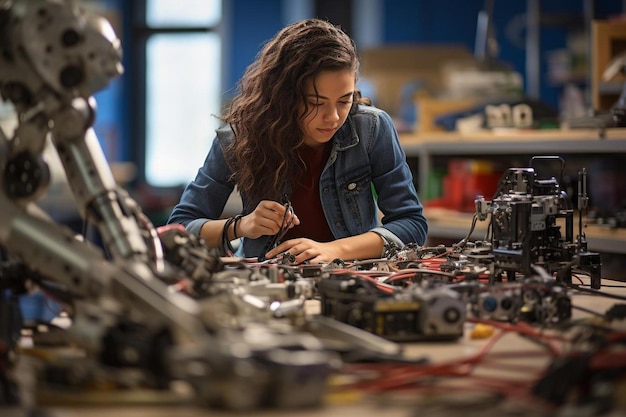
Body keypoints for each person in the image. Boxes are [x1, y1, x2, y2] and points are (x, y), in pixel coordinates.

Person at [167, 18, 428, 264]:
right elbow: (178, 228)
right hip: (266, 283)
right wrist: (241, 226)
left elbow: (412, 224)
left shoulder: (373, 128)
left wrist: (334, 250)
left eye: (344, 100)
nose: (334, 117)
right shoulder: (238, 137)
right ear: (284, 97)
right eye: (316, 103)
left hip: (350, 281)